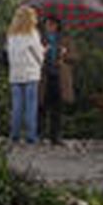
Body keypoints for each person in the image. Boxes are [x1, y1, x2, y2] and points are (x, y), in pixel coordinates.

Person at [4, 4, 45, 144]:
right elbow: (38, 55)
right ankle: (31, 136)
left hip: (15, 74)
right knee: (30, 106)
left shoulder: (11, 35)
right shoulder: (32, 33)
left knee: (17, 106)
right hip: (31, 74)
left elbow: (9, 55)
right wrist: (44, 53)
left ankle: (14, 135)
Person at [40, 15, 78, 145]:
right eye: (47, 24)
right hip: (44, 77)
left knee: (57, 108)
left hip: (60, 77)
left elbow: (74, 58)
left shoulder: (65, 39)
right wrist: (42, 53)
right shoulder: (40, 38)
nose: (49, 26)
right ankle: (39, 135)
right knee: (42, 106)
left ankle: (55, 137)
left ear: (57, 26)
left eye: (51, 24)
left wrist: (65, 54)